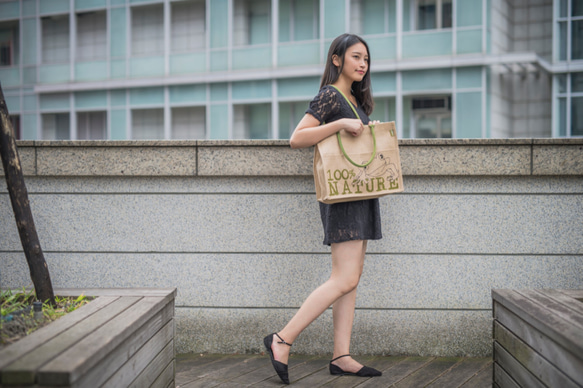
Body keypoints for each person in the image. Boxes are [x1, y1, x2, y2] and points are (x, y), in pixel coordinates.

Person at [263, 33, 383, 385]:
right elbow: (297, 137)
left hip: (359, 193)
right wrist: (342, 123)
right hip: (343, 197)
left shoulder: (354, 100)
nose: (363, 64)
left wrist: (364, 128)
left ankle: (341, 356)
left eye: (366, 59)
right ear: (336, 59)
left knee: (351, 279)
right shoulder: (330, 95)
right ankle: (281, 339)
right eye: (356, 57)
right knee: (343, 278)